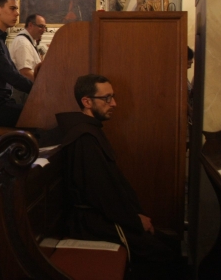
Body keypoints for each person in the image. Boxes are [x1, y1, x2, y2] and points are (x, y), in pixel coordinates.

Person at [57, 74, 183, 279]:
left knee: (172, 243)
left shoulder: (90, 130)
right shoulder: (84, 138)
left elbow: (112, 186)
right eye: (106, 98)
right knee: (163, 254)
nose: (114, 103)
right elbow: (102, 194)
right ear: (87, 102)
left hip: (106, 215)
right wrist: (135, 220)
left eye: (112, 97)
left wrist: (135, 215)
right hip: (90, 222)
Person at [8, 13, 46, 82]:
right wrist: (43, 84)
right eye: (41, 26)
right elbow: (25, 73)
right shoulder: (23, 43)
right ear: (30, 25)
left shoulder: (28, 41)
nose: (44, 30)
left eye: (45, 27)